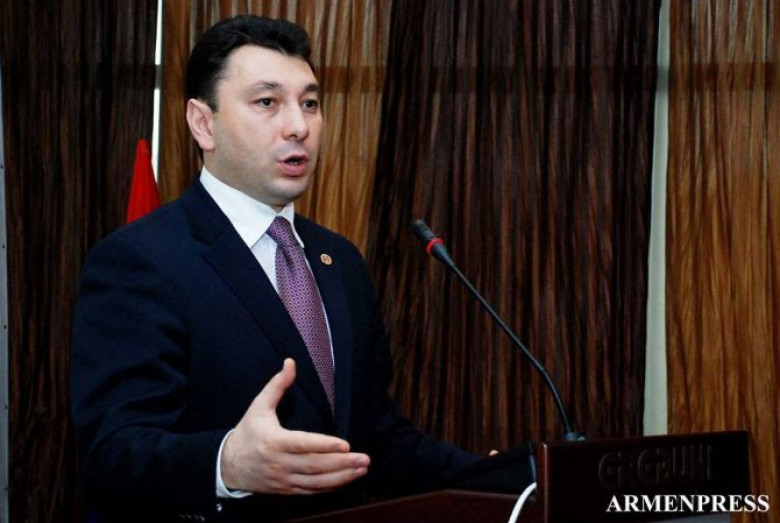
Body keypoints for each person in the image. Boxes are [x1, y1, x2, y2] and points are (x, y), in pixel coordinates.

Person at [70, 15, 477, 523]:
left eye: (310, 103)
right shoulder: (141, 259)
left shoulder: (340, 260)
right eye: (267, 102)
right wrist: (227, 464)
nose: (299, 126)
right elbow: (111, 454)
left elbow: (371, 438)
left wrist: (499, 476)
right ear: (203, 123)